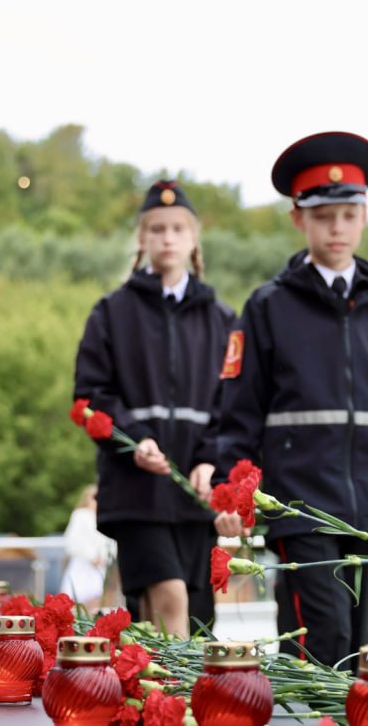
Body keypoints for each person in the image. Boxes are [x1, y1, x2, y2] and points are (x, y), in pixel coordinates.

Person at [212, 132, 368, 669]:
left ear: (364, 216)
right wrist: (229, 492)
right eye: (324, 216)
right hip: (300, 508)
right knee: (321, 637)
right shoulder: (267, 307)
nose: (337, 228)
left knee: (360, 649)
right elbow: (239, 412)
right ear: (298, 219)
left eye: (348, 215)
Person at [73, 180, 235, 637]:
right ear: (142, 238)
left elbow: (234, 404)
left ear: (194, 238)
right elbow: (90, 396)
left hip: (195, 495)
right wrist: (135, 440)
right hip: (137, 492)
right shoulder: (112, 312)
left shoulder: (223, 320)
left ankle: (167, 687)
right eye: (157, 229)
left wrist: (210, 460)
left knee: (196, 621)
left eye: (178, 228)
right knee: (169, 598)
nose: (168, 238)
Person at [58, 484, 117, 613]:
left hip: (99, 567)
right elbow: (73, 542)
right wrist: (91, 557)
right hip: (82, 565)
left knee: (96, 601)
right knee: (75, 599)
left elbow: (111, 542)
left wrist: (104, 557)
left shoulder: (105, 517)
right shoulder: (80, 515)